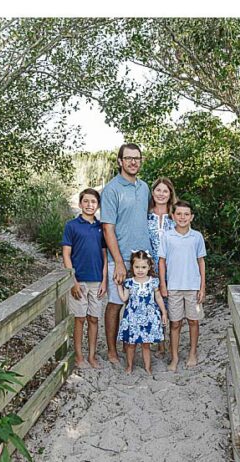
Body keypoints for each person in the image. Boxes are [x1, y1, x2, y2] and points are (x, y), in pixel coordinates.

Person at [101, 143, 151, 365]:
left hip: (143, 259)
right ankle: (112, 352)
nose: (133, 162)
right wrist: (119, 263)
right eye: (128, 158)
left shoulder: (144, 187)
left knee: (138, 303)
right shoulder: (112, 189)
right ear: (120, 161)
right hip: (118, 259)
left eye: (137, 158)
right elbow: (107, 228)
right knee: (115, 303)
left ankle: (129, 345)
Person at [60, 188, 108, 369]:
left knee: (94, 319)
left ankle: (92, 355)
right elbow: (66, 255)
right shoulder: (71, 226)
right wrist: (73, 281)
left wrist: (104, 280)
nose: (89, 205)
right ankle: (79, 356)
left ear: (98, 206)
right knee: (79, 318)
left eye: (93, 202)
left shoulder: (101, 227)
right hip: (79, 280)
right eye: (86, 201)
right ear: (80, 204)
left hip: (96, 281)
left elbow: (104, 255)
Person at [159, 200, 207, 372]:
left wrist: (202, 287)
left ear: (191, 217)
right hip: (173, 287)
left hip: (193, 286)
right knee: (175, 323)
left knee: (194, 321)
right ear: (173, 216)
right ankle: (175, 357)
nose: (182, 217)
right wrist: (163, 284)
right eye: (179, 214)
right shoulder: (167, 236)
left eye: (186, 214)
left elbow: (201, 262)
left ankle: (193, 353)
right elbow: (162, 262)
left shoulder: (197, 237)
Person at [117, 251, 167, 374]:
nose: (140, 270)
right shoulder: (129, 282)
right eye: (137, 267)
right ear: (132, 267)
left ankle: (148, 367)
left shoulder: (153, 282)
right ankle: (129, 366)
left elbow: (158, 297)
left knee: (146, 344)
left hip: (149, 316)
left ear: (149, 267)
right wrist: (118, 285)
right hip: (132, 317)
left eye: (143, 267)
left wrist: (164, 312)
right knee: (131, 344)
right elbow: (124, 298)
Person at [147, 177, 178, 355]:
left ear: (170, 194)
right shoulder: (146, 213)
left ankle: (164, 341)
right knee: (153, 302)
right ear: (153, 193)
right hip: (150, 266)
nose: (161, 194)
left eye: (165, 191)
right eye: (158, 190)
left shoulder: (175, 214)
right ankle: (155, 338)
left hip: (171, 265)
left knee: (168, 303)